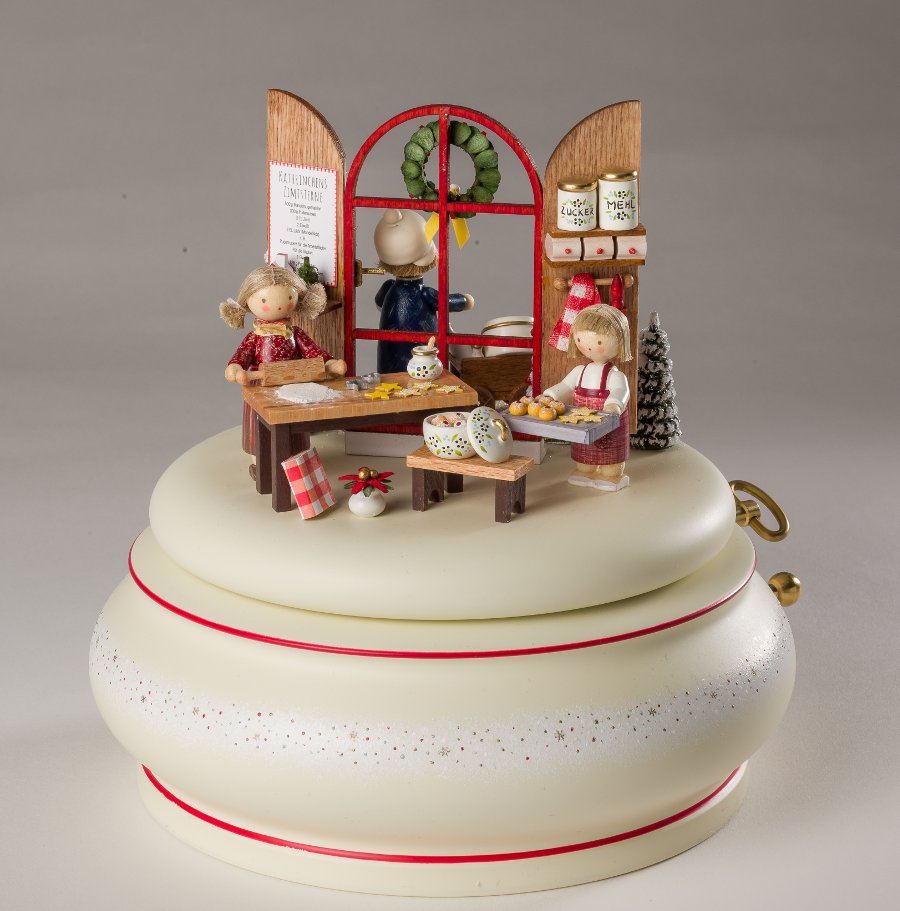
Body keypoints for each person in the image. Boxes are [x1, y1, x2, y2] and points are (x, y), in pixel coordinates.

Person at [220, 264, 346, 454]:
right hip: (261, 385)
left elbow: (311, 351)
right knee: (260, 427)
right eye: (264, 300)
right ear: (248, 301)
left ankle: (296, 455)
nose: (279, 306)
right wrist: (236, 367)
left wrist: (328, 363)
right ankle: (259, 458)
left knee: (293, 424)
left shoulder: (294, 333)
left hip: (292, 383)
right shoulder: (255, 337)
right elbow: (243, 354)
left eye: (288, 298)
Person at [542, 304, 632, 491]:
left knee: (610, 456)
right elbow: (566, 386)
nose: (588, 346)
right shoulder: (579, 371)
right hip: (583, 422)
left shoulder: (615, 375)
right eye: (580, 339)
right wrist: (551, 395)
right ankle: (585, 471)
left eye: (598, 342)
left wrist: (614, 404)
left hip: (608, 424)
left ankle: (612, 475)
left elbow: (620, 391)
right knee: (584, 454)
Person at [372, 209, 474, 373]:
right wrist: (464, 300)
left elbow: (379, 303)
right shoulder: (425, 294)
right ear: (424, 258)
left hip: (388, 361)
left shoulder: (389, 287)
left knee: (391, 373)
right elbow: (446, 302)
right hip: (423, 361)